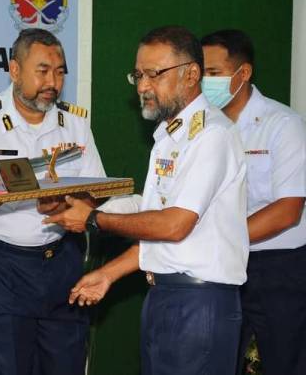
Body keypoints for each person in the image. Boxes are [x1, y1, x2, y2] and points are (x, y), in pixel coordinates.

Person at [44, 26, 249, 375]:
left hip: (200, 305)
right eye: (138, 75)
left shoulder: (211, 135)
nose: (142, 86)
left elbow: (174, 224)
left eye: (154, 74)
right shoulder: (170, 136)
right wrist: (108, 272)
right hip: (165, 298)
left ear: (191, 74)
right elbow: (153, 216)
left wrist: (93, 220)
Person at [0, 28, 106, 375]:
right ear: (15, 70)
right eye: (43, 70)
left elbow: (94, 192)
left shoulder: (75, 123)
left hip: (61, 263)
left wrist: (67, 203)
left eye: (60, 71)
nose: (53, 81)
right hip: (0, 266)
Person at [201, 29, 306, 375]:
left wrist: (218, 238)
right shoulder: (202, 129)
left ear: (242, 74)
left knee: (284, 361)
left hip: (279, 268)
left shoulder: (283, 125)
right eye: (200, 72)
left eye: (213, 73)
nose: (203, 81)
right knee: (219, 361)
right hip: (224, 266)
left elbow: (288, 210)